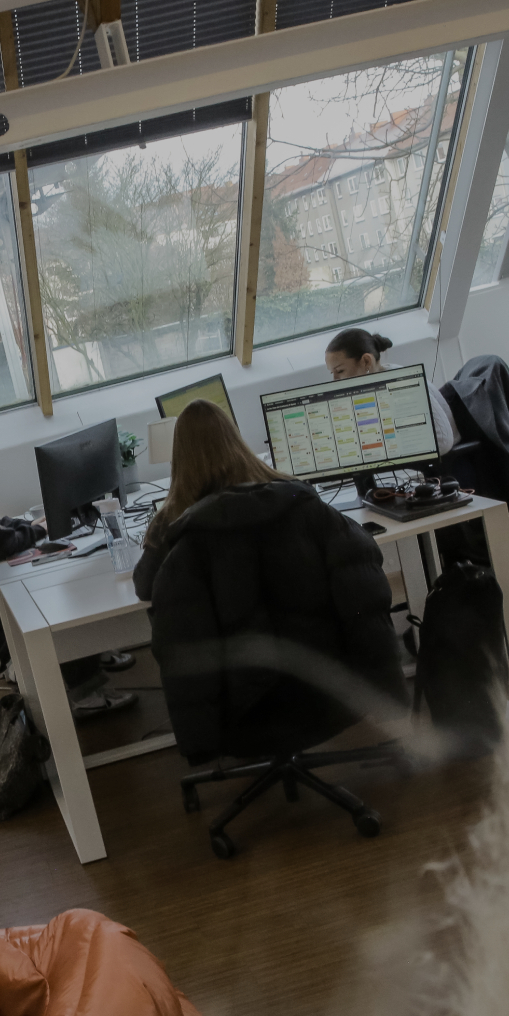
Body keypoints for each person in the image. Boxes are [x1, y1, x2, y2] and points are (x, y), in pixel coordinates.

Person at [133, 400, 406, 762]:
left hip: (246, 709)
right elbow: (363, 590)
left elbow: (144, 586)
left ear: (178, 459)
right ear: (236, 439)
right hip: (331, 687)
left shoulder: (176, 524)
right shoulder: (298, 498)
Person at [0, 415, 137, 720]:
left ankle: (91, 652)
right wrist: (37, 531)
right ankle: (86, 694)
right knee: (53, 604)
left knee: (52, 588)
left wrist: (26, 526)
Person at [324, 327, 460, 457]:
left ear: (366, 361)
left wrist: (389, 451)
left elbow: (443, 441)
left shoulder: (401, 384)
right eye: (332, 373)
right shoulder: (378, 385)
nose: (335, 380)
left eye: (340, 371)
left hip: (451, 461)